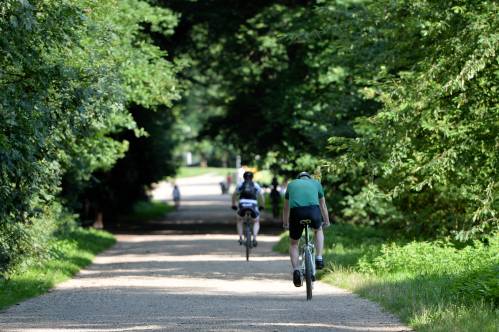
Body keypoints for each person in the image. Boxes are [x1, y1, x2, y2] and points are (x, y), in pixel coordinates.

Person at [282, 171, 330, 287]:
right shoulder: (316, 183)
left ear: (298, 178)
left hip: (296, 213)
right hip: (313, 211)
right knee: (318, 229)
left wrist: (285, 223)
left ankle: (296, 270)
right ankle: (319, 257)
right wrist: (327, 221)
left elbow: (286, 208)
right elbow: (323, 205)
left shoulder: (291, 184)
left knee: (294, 243)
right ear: (309, 178)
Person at [231, 171, 265, 247]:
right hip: (253, 204)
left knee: (239, 220)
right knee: (256, 221)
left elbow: (234, 195)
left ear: (244, 177)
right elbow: (261, 196)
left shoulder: (240, 184)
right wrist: (262, 205)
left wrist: (233, 204)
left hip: (242, 204)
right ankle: (255, 238)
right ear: (252, 177)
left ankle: (240, 238)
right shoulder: (256, 185)